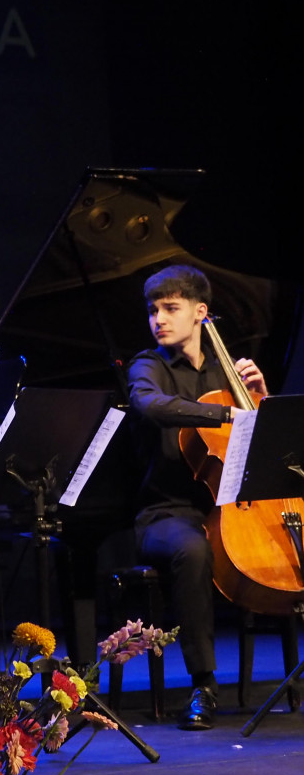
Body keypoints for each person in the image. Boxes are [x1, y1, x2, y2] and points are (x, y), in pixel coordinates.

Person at [128, 264, 268, 730]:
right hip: (167, 513)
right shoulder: (148, 366)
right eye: (153, 310)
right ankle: (203, 684)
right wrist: (224, 412)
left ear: (200, 312)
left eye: (171, 308)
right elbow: (151, 405)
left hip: (226, 507)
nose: (159, 319)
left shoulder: (228, 369)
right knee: (193, 548)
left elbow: (263, 443)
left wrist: (259, 400)